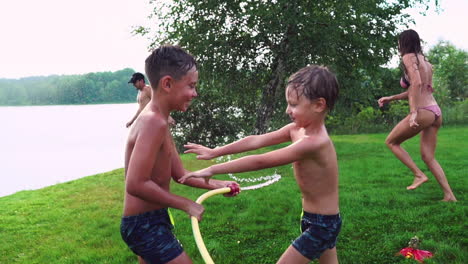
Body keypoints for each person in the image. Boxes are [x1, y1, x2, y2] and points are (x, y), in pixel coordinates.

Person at [181, 65, 342, 264]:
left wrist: (212, 169)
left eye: (293, 104)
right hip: (313, 218)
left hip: (322, 225)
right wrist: (216, 151)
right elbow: (255, 140)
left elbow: (260, 160)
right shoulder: (296, 129)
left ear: (319, 105)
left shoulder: (314, 142)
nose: (287, 110)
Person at [120, 45, 240, 264]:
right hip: (143, 224)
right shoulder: (152, 122)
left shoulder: (160, 121)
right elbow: (135, 183)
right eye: (191, 86)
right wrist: (186, 204)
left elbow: (180, 174)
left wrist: (218, 184)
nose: (195, 93)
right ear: (167, 84)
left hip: (151, 220)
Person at [377, 29, 456, 202]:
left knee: (391, 142)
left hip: (423, 111)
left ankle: (418, 175)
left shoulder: (408, 57)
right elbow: (419, 87)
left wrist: (413, 112)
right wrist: (392, 97)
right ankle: (449, 195)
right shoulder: (425, 61)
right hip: (435, 111)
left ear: (403, 42)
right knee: (428, 157)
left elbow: (417, 83)